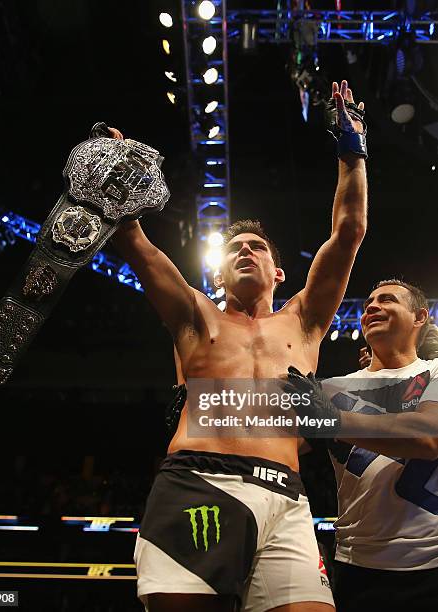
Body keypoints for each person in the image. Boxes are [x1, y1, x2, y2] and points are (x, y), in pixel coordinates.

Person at [111, 80, 367, 612]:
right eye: (234, 248)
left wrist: (352, 150)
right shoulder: (193, 312)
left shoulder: (305, 322)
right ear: (218, 270)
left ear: (277, 270)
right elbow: (134, 242)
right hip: (198, 483)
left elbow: (349, 232)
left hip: (287, 496)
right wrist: (116, 177)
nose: (245, 251)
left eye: (256, 246)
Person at [287, 279, 438, 612]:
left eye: (387, 300)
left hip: (431, 564)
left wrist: (336, 420)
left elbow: (428, 437)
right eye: (369, 302)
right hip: (356, 565)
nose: (371, 306)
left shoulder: (435, 372)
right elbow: (278, 450)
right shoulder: (329, 390)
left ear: (419, 317)